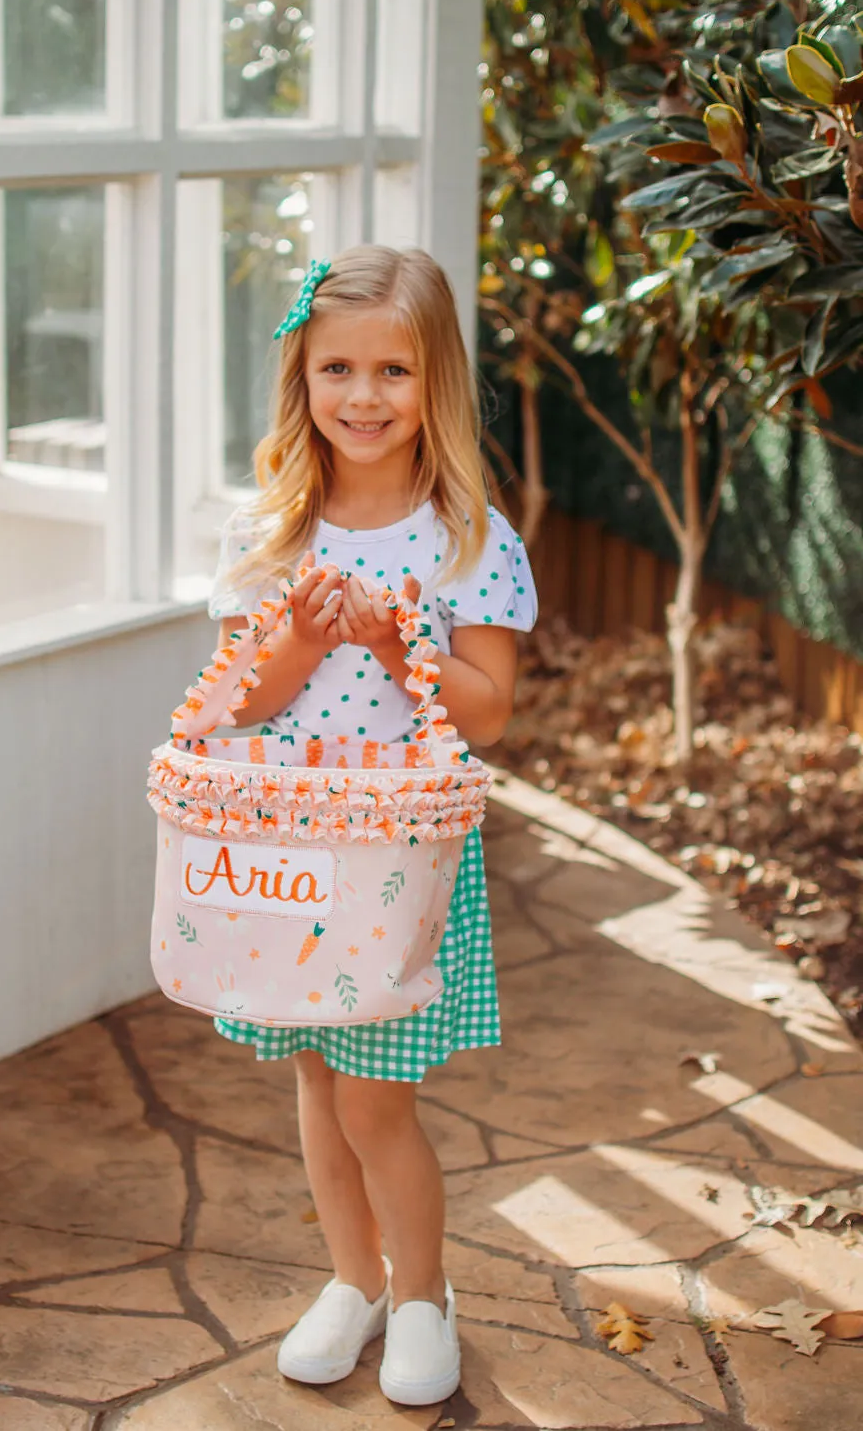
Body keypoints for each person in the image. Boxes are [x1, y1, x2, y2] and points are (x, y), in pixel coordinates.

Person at [207, 245, 537, 1406]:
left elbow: (490, 713)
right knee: (313, 1080)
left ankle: (419, 1295)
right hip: (294, 856)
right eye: (336, 367)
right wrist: (299, 636)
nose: (362, 396)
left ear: (434, 381)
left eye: (392, 370)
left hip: (404, 862)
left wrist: (403, 646)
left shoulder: (468, 540)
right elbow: (230, 701)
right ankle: (349, 1282)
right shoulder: (274, 532)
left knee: (372, 1097)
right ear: (301, 376)